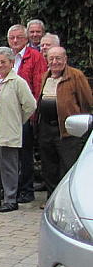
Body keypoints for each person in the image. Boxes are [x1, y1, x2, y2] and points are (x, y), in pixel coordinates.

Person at [0, 47, 37, 212]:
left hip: (7, 129)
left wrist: (17, 121)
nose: (0, 65)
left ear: (11, 63)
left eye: (3, 62)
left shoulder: (18, 82)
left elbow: (30, 105)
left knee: (8, 165)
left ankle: (11, 199)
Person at [37, 47, 92, 194]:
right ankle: (52, 197)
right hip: (46, 128)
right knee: (49, 167)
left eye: (58, 58)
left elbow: (86, 102)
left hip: (67, 131)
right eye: (51, 59)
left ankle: (69, 197)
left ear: (65, 59)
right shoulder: (45, 77)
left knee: (68, 165)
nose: (55, 62)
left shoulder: (76, 76)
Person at [7, 23, 46, 203]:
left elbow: (38, 86)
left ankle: (26, 190)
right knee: (10, 154)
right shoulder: (6, 57)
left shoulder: (35, 57)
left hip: (25, 113)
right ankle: (12, 188)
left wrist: (33, 114)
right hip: (8, 113)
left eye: (19, 38)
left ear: (26, 39)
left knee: (25, 154)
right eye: (12, 38)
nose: (15, 41)